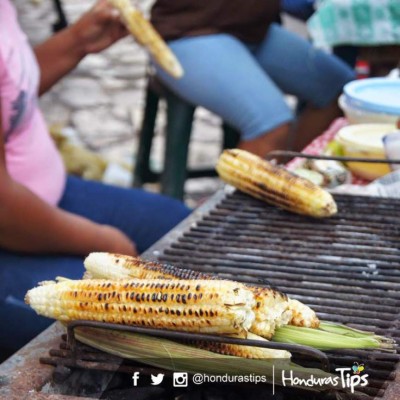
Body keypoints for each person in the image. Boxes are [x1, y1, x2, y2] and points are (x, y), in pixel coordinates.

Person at [0, 0, 190, 359]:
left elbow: (11, 93)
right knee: (131, 327)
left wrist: (78, 41)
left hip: (48, 193)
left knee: (183, 227)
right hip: (10, 224)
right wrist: (101, 239)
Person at [150, 0, 356, 157]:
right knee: (271, 126)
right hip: (188, 32)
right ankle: (235, 208)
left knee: (342, 92)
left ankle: (285, 174)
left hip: (253, 29)